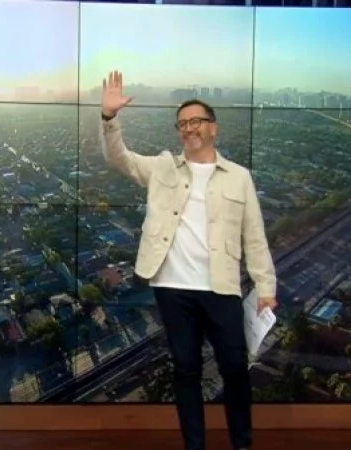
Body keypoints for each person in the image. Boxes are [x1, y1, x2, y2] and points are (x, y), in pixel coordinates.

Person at [99, 70, 278, 450]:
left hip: (221, 286)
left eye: (196, 121)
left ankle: (242, 443)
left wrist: (266, 287)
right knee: (186, 369)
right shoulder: (162, 167)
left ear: (213, 127)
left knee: (235, 367)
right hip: (172, 287)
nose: (188, 128)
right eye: (182, 123)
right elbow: (119, 158)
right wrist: (109, 117)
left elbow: (254, 237)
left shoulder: (239, 177)